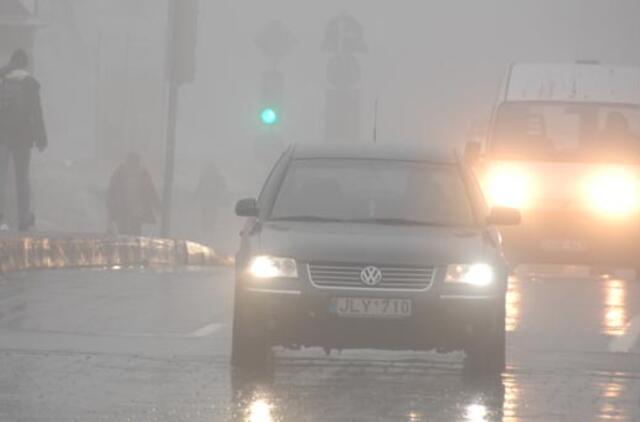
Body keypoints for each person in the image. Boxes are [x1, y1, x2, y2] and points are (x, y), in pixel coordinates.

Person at [0, 49, 47, 231]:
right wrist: (41, 138)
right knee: (22, 178)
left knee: (1, 178)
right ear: (26, 64)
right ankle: (24, 219)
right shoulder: (30, 84)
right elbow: (36, 112)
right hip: (22, 138)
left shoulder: (3, 79)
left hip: (2, 135)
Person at [107, 152, 160, 236]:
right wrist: (157, 206)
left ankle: (130, 245)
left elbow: (150, 190)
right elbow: (112, 193)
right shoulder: (120, 173)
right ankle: (128, 245)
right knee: (125, 232)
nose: (134, 165)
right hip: (123, 209)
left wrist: (157, 206)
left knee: (133, 232)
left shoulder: (142, 173)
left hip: (135, 210)